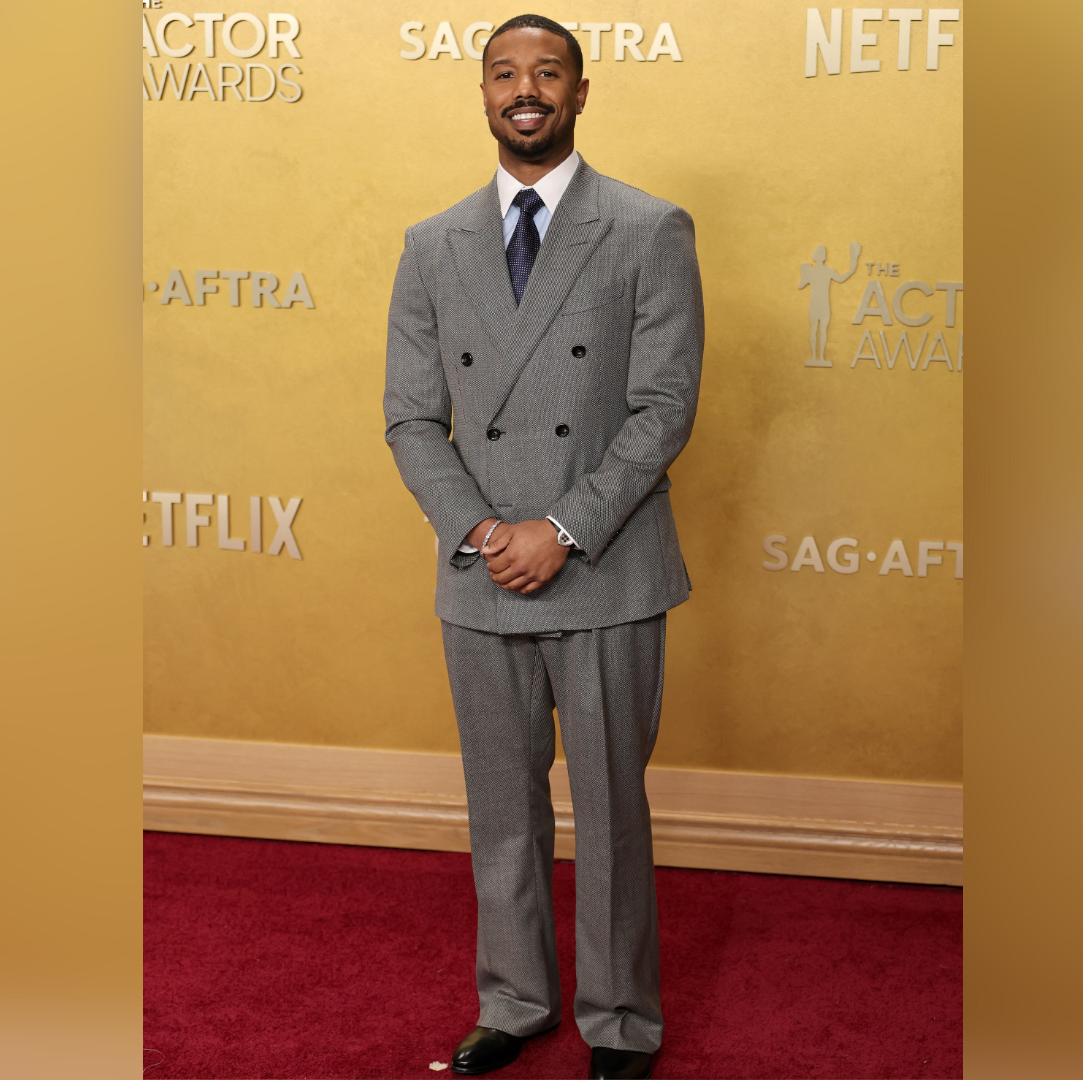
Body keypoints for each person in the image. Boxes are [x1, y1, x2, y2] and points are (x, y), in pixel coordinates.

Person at [382, 13, 704, 1080]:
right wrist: (485, 530)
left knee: (611, 810)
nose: (526, 90)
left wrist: (561, 528)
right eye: (505, 74)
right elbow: (410, 417)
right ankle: (515, 1001)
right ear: (482, 94)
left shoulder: (649, 228)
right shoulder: (432, 245)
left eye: (547, 73)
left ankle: (620, 1021)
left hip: (605, 565)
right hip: (482, 574)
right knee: (502, 808)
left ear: (579, 91)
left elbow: (663, 409)